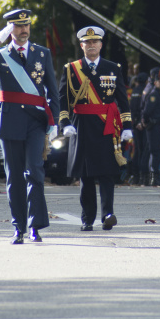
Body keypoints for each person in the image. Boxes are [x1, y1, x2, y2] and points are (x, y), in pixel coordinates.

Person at [0, 9, 60, 244]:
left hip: (35, 121)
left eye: (26, 26)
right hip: (10, 121)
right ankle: (18, 227)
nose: (24, 30)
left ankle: (35, 226)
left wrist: (55, 122)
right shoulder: (0, 55)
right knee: (14, 177)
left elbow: (52, 90)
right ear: (10, 29)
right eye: (18, 26)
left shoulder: (42, 54)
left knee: (35, 171)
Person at [59, 26, 133, 231]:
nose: (91, 45)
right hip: (81, 127)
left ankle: (108, 214)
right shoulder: (71, 69)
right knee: (86, 176)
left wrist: (127, 126)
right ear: (81, 45)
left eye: (95, 42)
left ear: (101, 44)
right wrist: (65, 123)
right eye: (87, 42)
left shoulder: (113, 68)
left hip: (106, 127)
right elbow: (63, 100)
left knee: (107, 174)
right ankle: (87, 219)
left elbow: (122, 100)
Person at [140, 68, 160, 186]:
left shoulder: (158, 93)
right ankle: (153, 176)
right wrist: (145, 121)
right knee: (155, 152)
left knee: (157, 150)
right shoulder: (154, 94)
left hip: (158, 125)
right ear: (155, 82)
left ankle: (153, 175)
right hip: (153, 125)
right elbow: (147, 110)